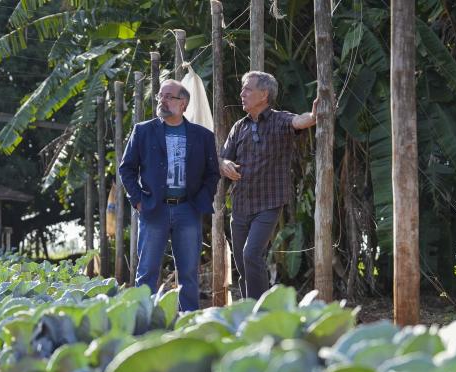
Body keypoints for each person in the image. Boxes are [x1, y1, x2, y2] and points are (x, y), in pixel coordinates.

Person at [118, 79, 219, 311]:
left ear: (183, 103)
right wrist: (138, 200)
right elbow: (127, 169)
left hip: (188, 209)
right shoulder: (143, 131)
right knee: (147, 272)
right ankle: (145, 322)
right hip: (154, 209)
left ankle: (189, 323)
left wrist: (201, 201)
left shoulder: (202, 136)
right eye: (160, 96)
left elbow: (212, 173)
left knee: (189, 274)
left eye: (168, 97)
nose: (162, 100)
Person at [219, 71, 318, 300]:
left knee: (251, 254)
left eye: (247, 89)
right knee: (243, 265)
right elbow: (222, 157)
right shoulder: (238, 127)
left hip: (269, 203)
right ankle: (248, 307)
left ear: (264, 94)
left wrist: (313, 116)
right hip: (241, 203)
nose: (242, 93)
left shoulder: (279, 120)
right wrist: (225, 165)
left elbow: (299, 121)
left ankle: (261, 311)